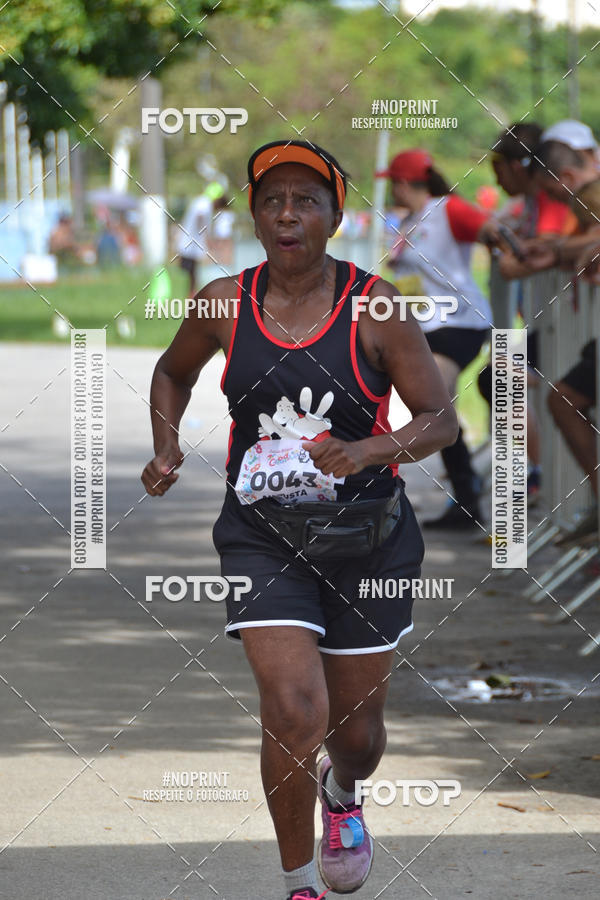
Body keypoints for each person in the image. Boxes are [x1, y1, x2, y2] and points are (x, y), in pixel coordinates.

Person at [141, 140, 458, 900]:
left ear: (335, 216)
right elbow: (171, 371)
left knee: (355, 735)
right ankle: (298, 884)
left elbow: (440, 421)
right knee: (292, 708)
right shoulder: (222, 302)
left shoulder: (375, 305)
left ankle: (343, 795)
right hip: (263, 536)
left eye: (306, 200)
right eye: (273, 199)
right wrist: (165, 447)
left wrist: (369, 449)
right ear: (253, 215)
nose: (288, 214)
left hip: (368, 542)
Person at [376, 149, 499, 529]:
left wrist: (513, 254)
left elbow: (492, 231)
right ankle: (465, 501)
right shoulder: (409, 221)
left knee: (437, 405)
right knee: (432, 408)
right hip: (426, 327)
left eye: (391, 182)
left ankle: (467, 501)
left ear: (402, 182)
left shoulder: (449, 209)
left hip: (460, 323)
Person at [484, 123, 575, 500]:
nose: (498, 181)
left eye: (498, 171)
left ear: (519, 167)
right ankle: (538, 474)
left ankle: (538, 475)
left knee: (501, 379)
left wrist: (520, 255)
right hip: (551, 324)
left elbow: (557, 245)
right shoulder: (534, 201)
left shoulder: (551, 196)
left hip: (566, 325)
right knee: (499, 378)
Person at [176, 193, 212, 295]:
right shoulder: (205, 203)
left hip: (191, 244)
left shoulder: (200, 201)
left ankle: (191, 293)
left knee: (191, 272)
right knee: (188, 272)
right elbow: (200, 216)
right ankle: (190, 293)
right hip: (190, 244)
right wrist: (204, 233)